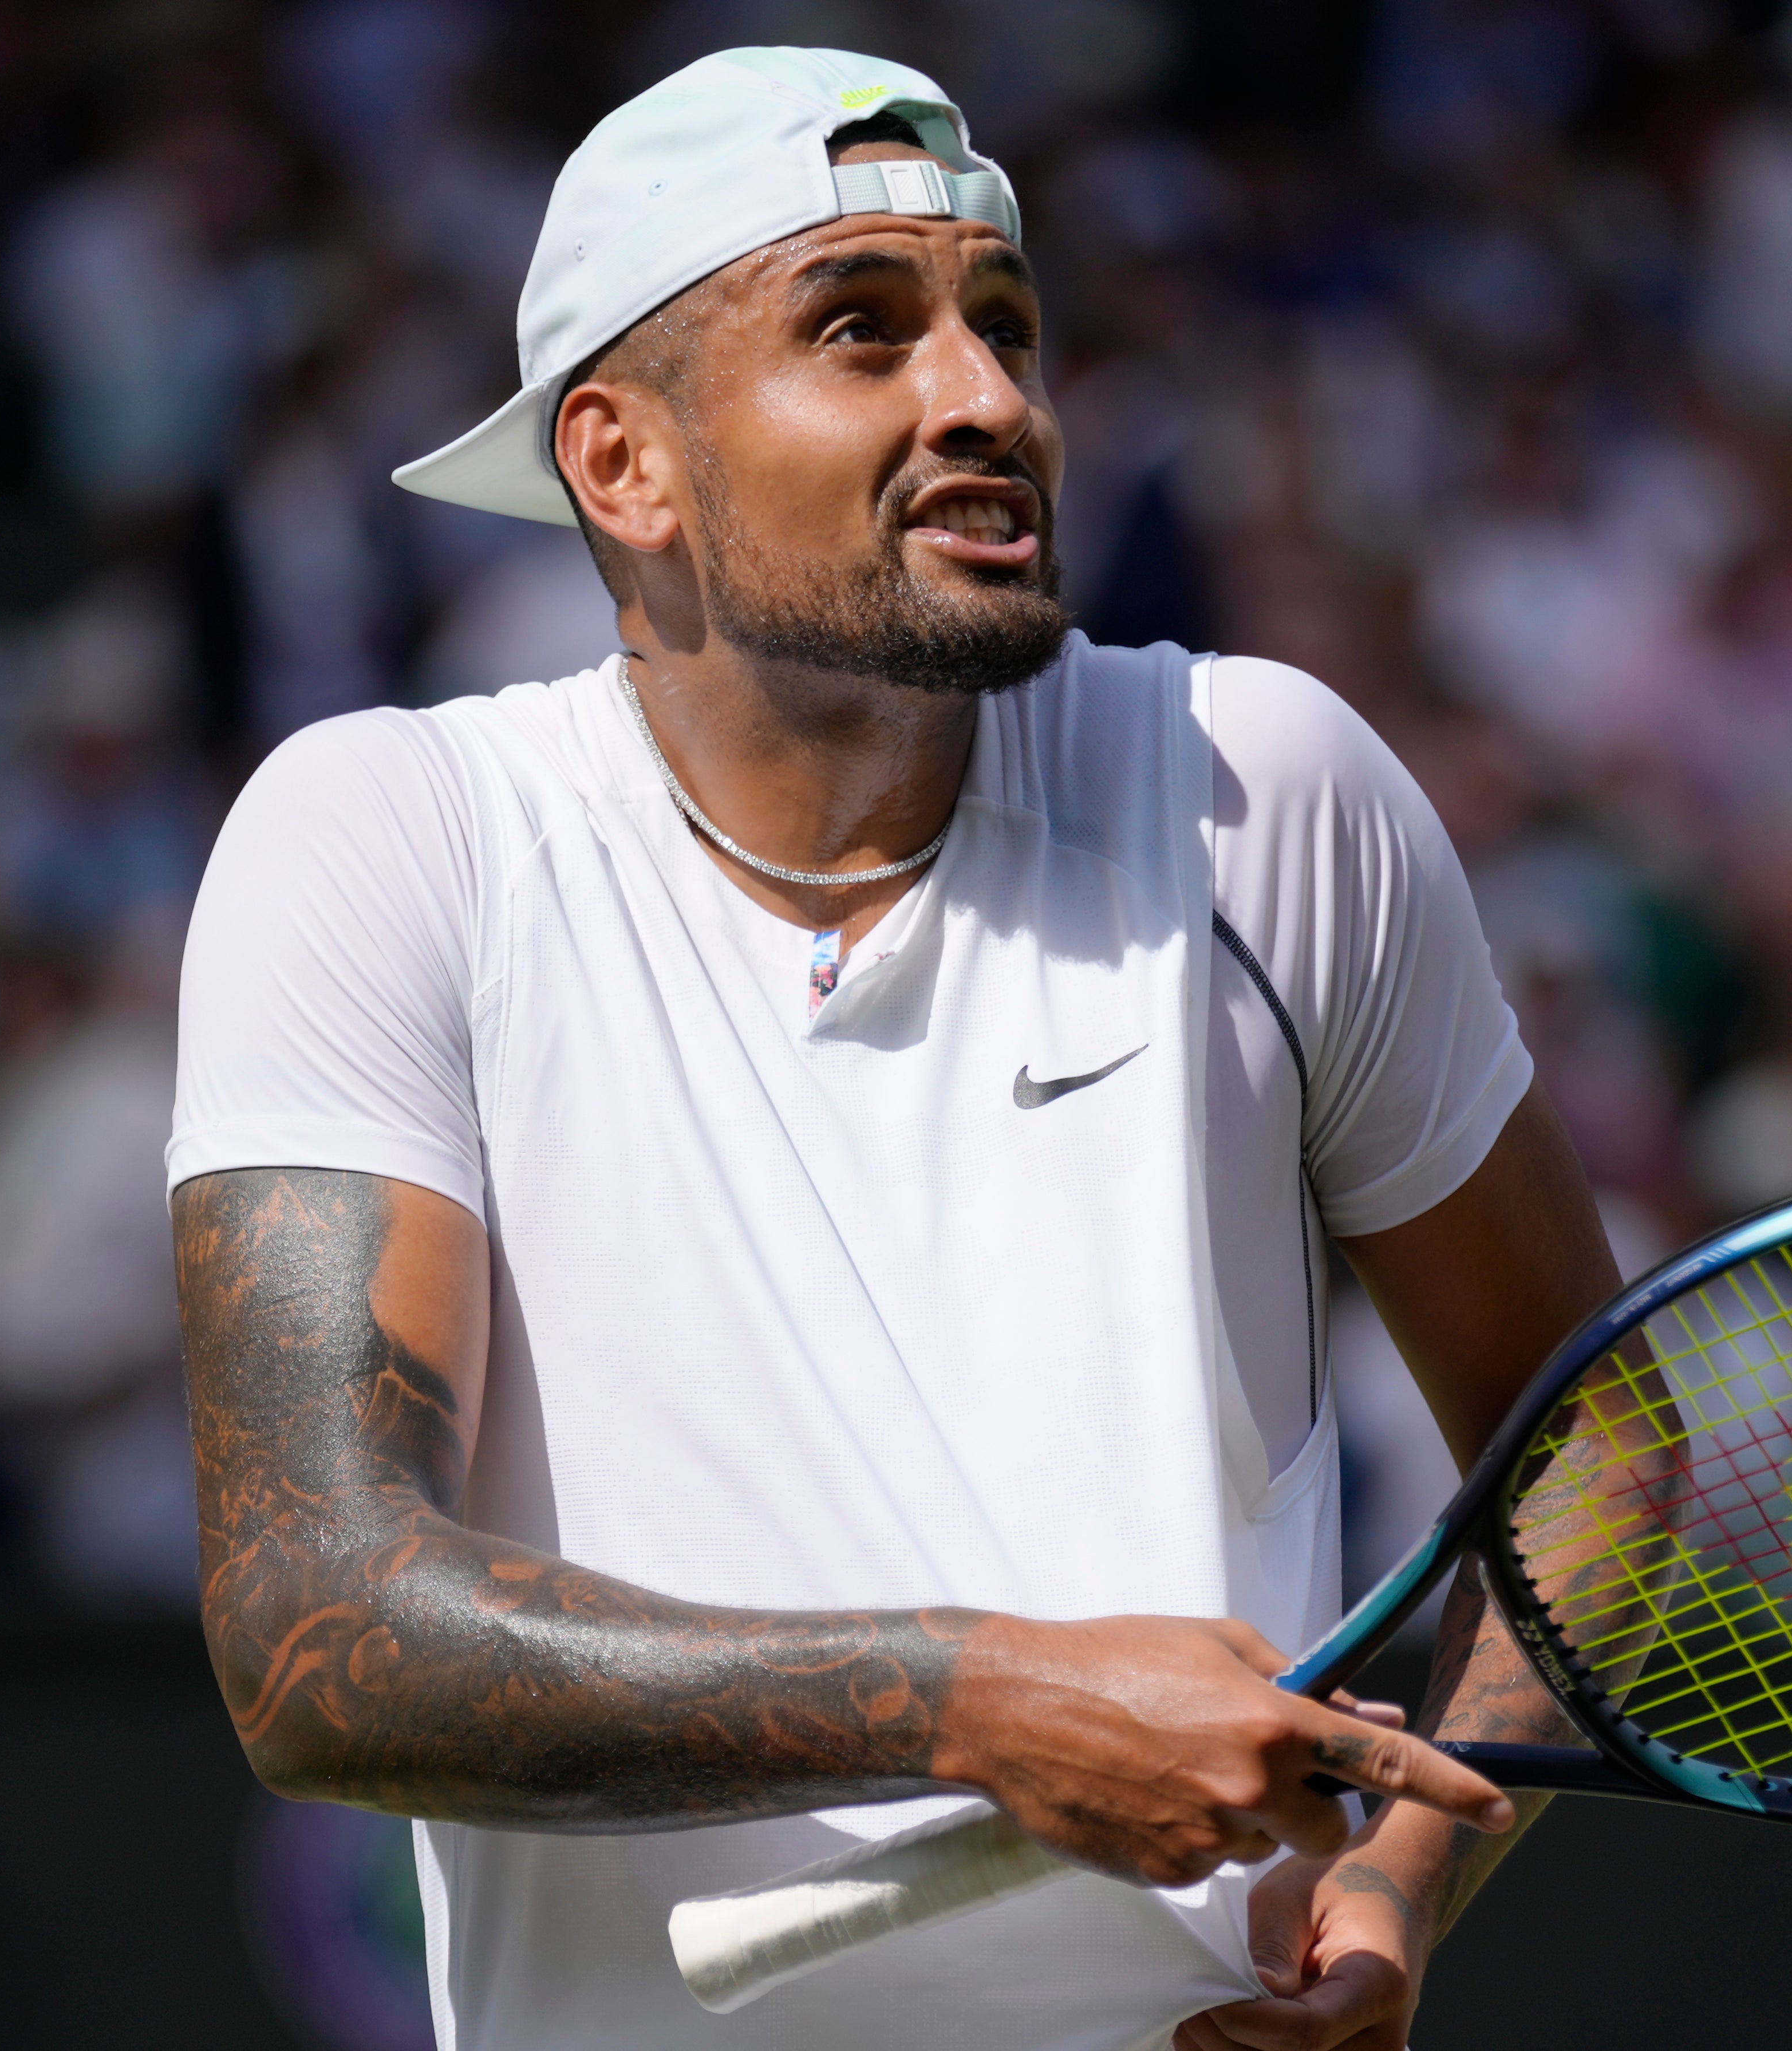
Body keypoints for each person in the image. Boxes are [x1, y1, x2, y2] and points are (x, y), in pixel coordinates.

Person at [169, 48, 1619, 2051]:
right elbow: (321, 1638)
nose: (988, 401)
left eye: (1005, 328)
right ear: (621, 462)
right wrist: (980, 1700)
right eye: (862, 331)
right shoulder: (391, 836)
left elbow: (1597, 1445)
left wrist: (1384, 1900)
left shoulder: (1265, 793)